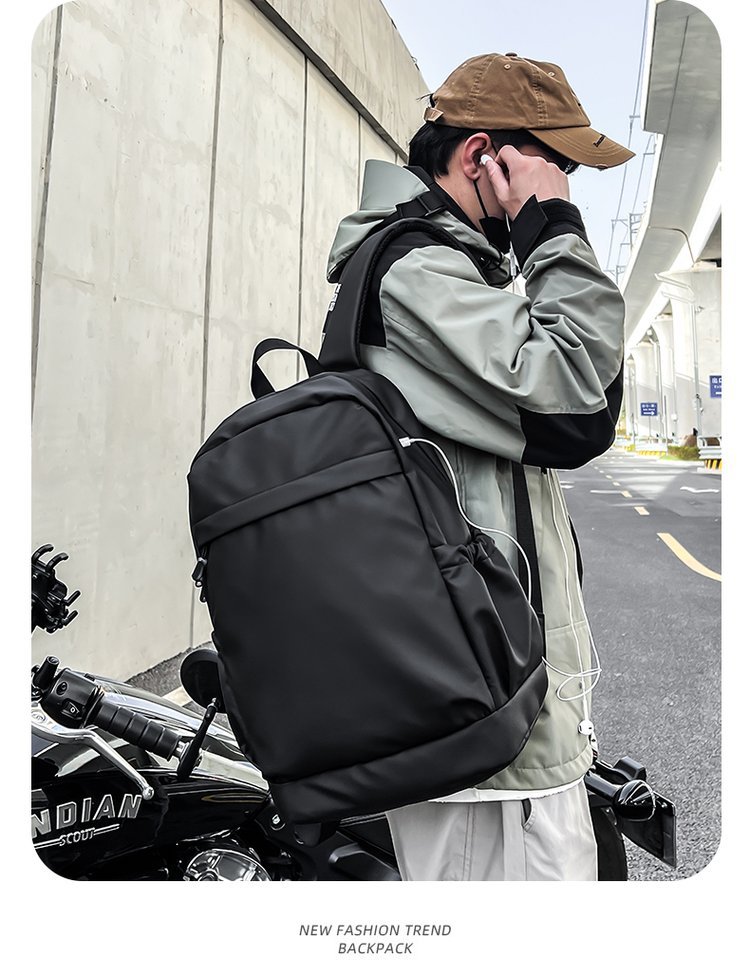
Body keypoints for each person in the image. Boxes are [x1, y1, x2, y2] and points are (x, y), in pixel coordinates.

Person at [325, 53, 633, 880]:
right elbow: (576, 407)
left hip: (503, 708)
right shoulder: (418, 271)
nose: (564, 184)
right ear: (480, 156)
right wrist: (553, 228)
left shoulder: (456, 268)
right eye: (555, 165)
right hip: (482, 729)